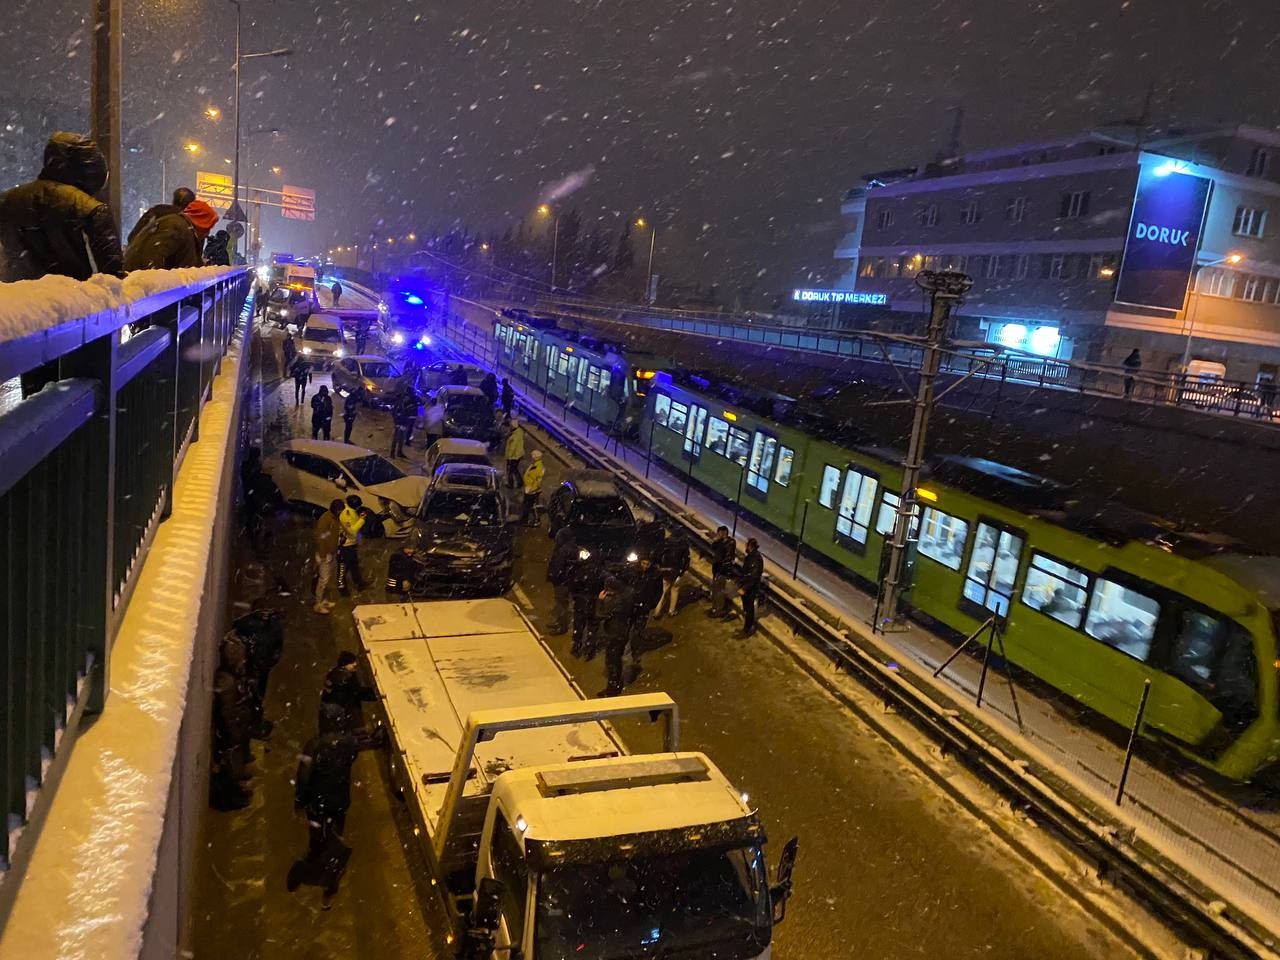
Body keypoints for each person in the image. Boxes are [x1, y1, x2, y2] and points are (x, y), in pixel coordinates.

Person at [0, 132, 124, 398]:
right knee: (78, 398)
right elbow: (112, 277)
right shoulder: (90, 208)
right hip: (78, 325)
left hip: (25, 320)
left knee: (35, 401)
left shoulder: (8, 202)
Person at [0, 132, 124, 286]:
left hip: (16, 305)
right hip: (74, 306)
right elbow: (112, 282)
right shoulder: (90, 209)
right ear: (93, 171)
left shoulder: (6, 202)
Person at [287, 706, 380, 908]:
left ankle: (311, 870)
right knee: (335, 839)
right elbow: (367, 745)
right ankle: (329, 885)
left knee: (318, 839)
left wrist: (299, 802)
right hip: (339, 802)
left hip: (317, 802)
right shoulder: (346, 743)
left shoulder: (314, 745)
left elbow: (303, 776)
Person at [211, 635, 255, 809]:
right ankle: (231, 797)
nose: (243, 661)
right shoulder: (227, 682)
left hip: (234, 730)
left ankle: (235, 791)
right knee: (230, 767)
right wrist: (235, 733)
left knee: (233, 764)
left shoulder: (230, 678)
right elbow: (228, 714)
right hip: (230, 734)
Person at [232, 604, 284, 740]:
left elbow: (278, 646)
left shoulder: (273, 626)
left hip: (260, 667)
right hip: (251, 667)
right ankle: (253, 723)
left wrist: (269, 662)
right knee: (251, 695)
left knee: (258, 694)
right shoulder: (250, 623)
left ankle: (255, 720)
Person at [123, 199, 218, 270]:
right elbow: (152, 256)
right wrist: (157, 285)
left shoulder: (183, 228)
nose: (207, 233)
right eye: (208, 227)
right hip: (143, 288)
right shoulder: (177, 227)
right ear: (201, 221)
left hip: (145, 285)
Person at [596, 577, 636, 697]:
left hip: (614, 634)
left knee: (612, 661)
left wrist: (600, 601)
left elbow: (600, 615)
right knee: (616, 659)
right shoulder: (627, 596)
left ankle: (612, 688)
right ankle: (615, 684)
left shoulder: (613, 601)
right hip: (623, 632)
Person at [320, 650, 376, 731]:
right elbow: (357, 692)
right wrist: (375, 694)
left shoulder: (336, 674)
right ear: (345, 664)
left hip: (336, 714)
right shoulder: (346, 677)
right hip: (344, 713)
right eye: (352, 662)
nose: (355, 664)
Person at [569, 547, 604, 659]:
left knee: (578, 627)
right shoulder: (602, 574)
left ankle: (576, 647)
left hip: (581, 603)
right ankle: (589, 650)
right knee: (592, 628)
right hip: (594, 604)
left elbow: (574, 585)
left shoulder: (582, 570)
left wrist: (576, 596)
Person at [127, 186, 195, 243]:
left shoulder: (155, 211)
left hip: (143, 256)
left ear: (174, 200)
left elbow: (132, 237)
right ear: (190, 204)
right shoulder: (188, 224)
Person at [629, 556, 665, 660]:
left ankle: (635, 651)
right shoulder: (634, 572)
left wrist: (651, 604)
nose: (645, 566)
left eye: (647, 564)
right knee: (628, 627)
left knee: (639, 628)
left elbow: (659, 591)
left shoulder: (655, 575)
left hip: (644, 605)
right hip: (632, 604)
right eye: (643, 563)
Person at [313, 499, 343, 614]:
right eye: (340, 511)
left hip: (331, 552)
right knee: (323, 580)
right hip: (325, 555)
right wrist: (323, 555)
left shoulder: (334, 518)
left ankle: (322, 600)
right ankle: (317, 604)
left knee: (327, 578)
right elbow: (321, 538)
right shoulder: (325, 520)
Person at [656, 528, 691, 620]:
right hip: (676, 571)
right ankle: (671, 611)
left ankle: (657, 611)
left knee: (663, 591)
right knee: (675, 589)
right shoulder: (683, 545)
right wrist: (682, 571)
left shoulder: (666, 542)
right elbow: (686, 560)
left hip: (666, 570)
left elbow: (659, 555)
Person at [547, 528, 576, 635]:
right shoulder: (571, 548)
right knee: (561, 603)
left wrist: (554, 577)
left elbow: (558, 566)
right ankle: (560, 623)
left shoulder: (563, 550)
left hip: (562, 581)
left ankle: (562, 626)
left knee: (561, 604)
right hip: (565, 580)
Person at [337, 494, 367, 596]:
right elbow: (352, 531)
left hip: (350, 544)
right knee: (343, 568)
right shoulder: (346, 515)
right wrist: (362, 520)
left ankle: (359, 584)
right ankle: (342, 588)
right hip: (345, 545)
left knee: (354, 565)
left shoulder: (350, 510)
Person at [708, 526, 737, 620]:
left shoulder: (730, 543)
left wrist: (721, 571)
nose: (718, 535)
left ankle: (718, 610)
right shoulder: (720, 541)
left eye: (719, 533)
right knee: (715, 589)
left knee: (719, 590)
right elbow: (712, 547)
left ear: (724, 533)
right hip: (717, 568)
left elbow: (727, 559)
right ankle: (715, 607)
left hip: (722, 570)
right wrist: (716, 540)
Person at [737, 538, 764, 638]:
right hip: (748, 586)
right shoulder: (752, 557)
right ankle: (747, 626)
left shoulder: (755, 558)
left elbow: (753, 576)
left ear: (750, 546)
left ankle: (748, 628)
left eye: (746, 545)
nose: (745, 547)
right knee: (747, 607)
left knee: (749, 608)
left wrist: (744, 588)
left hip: (751, 588)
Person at [390, 390, 417, 458]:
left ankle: (399, 452)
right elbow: (394, 414)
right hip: (398, 424)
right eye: (406, 397)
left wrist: (407, 423)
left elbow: (411, 414)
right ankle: (392, 453)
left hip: (405, 424)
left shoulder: (411, 404)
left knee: (402, 439)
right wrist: (397, 423)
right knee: (395, 439)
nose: (407, 399)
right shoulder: (399, 404)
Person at [521, 449, 544, 525]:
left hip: (531, 489)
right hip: (529, 488)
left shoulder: (538, 467)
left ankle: (534, 520)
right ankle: (527, 519)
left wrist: (532, 489)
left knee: (529, 505)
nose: (532, 457)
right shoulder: (535, 465)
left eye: (533, 456)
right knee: (530, 505)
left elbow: (537, 480)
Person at [504, 417, 525, 488]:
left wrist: (509, 457)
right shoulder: (519, 432)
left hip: (514, 456)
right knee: (514, 469)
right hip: (518, 454)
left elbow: (512, 448)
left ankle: (511, 484)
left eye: (510, 425)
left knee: (511, 470)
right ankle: (520, 482)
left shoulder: (514, 436)